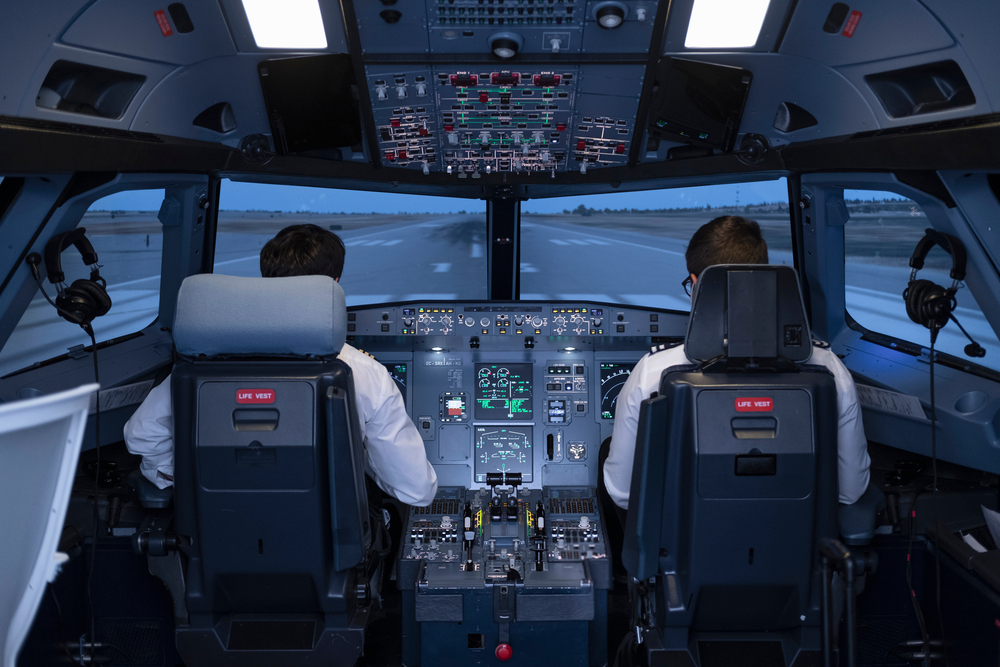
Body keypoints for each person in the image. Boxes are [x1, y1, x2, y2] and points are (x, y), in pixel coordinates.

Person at [124, 224, 439, 507]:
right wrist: (361, 457)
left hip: (218, 541)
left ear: (268, 281)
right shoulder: (365, 373)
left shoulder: (203, 365)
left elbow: (142, 433)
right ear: (334, 283)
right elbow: (415, 491)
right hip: (327, 547)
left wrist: (189, 480)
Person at [602, 215, 871, 511]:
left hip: (688, 538)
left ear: (696, 284)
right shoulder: (829, 369)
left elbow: (623, 493)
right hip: (795, 539)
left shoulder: (653, 372)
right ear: (764, 275)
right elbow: (851, 490)